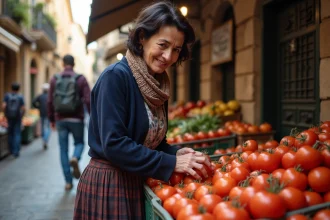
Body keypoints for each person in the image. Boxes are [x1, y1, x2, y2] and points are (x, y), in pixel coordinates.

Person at [73, 2, 213, 219]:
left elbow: (154, 142)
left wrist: (176, 153)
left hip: (139, 180)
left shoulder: (158, 86)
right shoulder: (116, 77)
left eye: (176, 50)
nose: (168, 56)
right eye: (163, 45)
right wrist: (172, 163)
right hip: (110, 185)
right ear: (142, 38)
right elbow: (114, 144)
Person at [47, 54, 91, 191]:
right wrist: (92, 116)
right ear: (74, 64)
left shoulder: (54, 79)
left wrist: (51, 119)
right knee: (79, 143)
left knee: (63, 149)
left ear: (62, 63)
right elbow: (88, 100)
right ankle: (76, 157)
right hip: (77, 118)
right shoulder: (81, 79)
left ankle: (68, 181)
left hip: (60, 119)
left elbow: (49, 101)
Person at [2, 83, 25, 158]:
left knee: (10, 133)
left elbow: (4, 106)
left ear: (11, 88)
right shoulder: (20, 97)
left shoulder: (7, 96)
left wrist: (5, 114)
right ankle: (16, 151)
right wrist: (22, 115)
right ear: (19, 89)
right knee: (17, 133)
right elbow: (23, 108)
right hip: (17, 117)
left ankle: (11, 150)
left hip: (9, 117)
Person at [32, 83, 51, 150]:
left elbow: (33, 102)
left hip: (42, 113)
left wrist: (38, 107)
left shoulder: (40, 96)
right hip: (49, 114)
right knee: (48, 127)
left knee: (43, 127)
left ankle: (44, 139)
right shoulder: (50, 96)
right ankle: (45, 139)